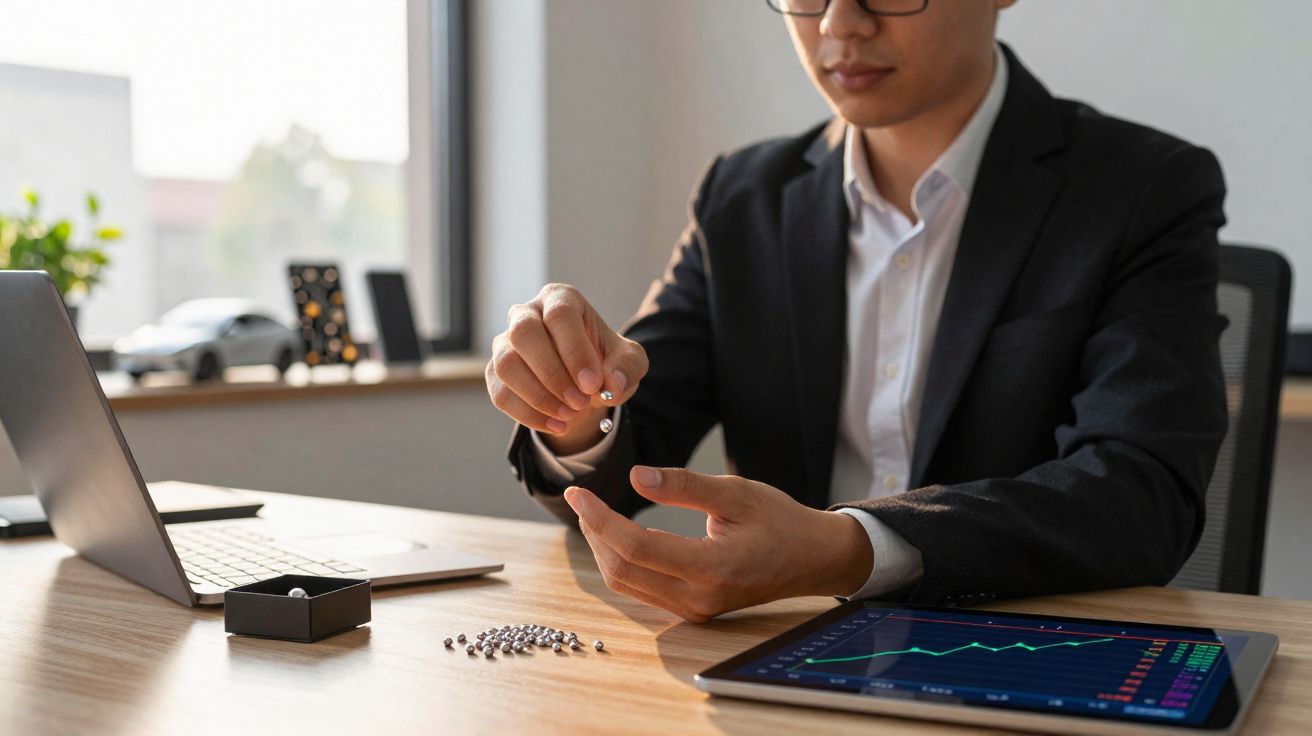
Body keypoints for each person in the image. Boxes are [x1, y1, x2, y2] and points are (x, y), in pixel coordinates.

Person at [485, 0, 1227, 622]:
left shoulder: (1143, 190)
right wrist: (575, 403)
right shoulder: (742, 197)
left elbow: (1142, 493)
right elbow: (633, 438)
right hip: (781, 656)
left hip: (1025, 654)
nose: (839, 23)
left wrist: (848, 547)